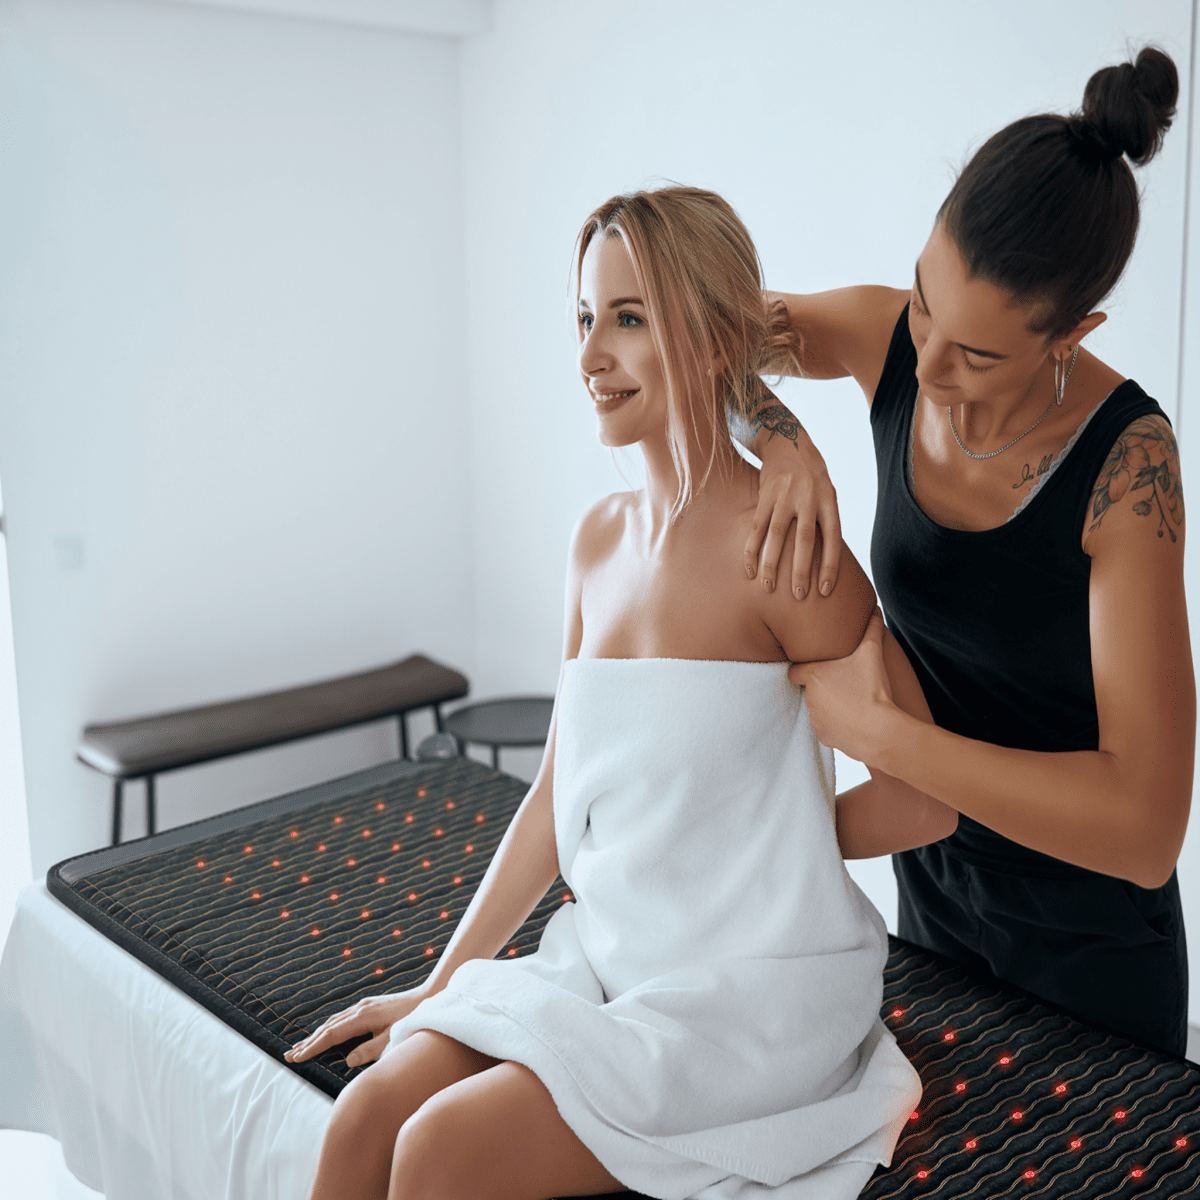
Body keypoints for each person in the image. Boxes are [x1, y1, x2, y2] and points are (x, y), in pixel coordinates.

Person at [285, 186, 955, 1200]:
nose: (592, 354)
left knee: (437, 1154)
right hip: (609, 955)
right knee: (367, 1118)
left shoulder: (785, 551)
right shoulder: (596, 541)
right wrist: (442, 982)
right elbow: (561, 792)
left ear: (711, 337)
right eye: (586, 319)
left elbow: (923, 796)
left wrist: (763, 849)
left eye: (630, 318)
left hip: (744, 999)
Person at [742, 46, 1193, 1058]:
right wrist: (785, 438)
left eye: (978, 353)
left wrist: (887, 744)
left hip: (1091, 951)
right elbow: (700, 332)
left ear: (1074, 332)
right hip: (933, 902)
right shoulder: (886, 337)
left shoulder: (1129, 467)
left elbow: (1145, 827)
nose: (928, 363)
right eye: (924, 300)